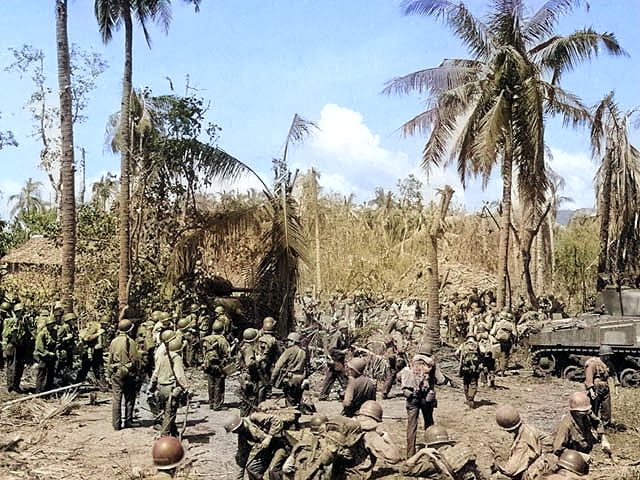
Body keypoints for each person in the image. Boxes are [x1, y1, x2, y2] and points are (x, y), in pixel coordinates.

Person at [492, 404, 554, 480]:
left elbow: (510, 470)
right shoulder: (527, 427)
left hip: (538, 470)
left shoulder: (523, 442)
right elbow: (549, 440)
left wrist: (498, 462)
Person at [403, 424, 482, 479]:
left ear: (429, 445)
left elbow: (405, 470)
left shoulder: (434, 463)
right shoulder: (463, 453)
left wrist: (421, 452)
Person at [224, 411, 287, 480]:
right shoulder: (243, 435)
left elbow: (276, 420)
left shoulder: (254, 418)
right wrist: (239, 478)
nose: (235, 433)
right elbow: (242, 457)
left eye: (235, 430)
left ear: (240, 425)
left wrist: (269, 437)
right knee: (252, 468)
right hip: (268, 449)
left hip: (282, 445)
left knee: (273, 470)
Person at [149, 336, 190, 437]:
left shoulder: (163, 356)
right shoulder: (176, 358)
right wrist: (187, 387)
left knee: (167, 412)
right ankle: (165, 437)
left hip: (161, 388)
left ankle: (174, 433)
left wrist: (152, 387)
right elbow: (180, 375)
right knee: (170, 414)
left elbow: (155, 373)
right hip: (171, 389)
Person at [400, 353, 438, 457]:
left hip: (412, 398)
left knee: (411, 426)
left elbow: (399, 376)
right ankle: (432, 447)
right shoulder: (431, 364)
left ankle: (410, 454)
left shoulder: (413, 363)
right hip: (426, 398)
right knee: (429, 422)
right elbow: (440, 380)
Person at [107, 318, 141, 431]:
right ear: (129, 330)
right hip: (128, 372)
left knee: (116, 399)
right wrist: (137, 373)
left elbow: (110, 359)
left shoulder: (114, 341)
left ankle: (116, 425)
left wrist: (109, 373)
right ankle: (128, 421)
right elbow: (135, 359)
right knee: (129, 398)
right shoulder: (130, 342)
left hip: (116, 372)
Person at [354, 400, 402, 472]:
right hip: (352, 474)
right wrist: (388, 439)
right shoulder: (371, 435)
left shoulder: (349, 424)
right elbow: (394, 458)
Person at [553, 391, 602, 457]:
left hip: (585, 451)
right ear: (574, 411)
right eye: (582, 412)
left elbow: (598, 422)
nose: (585, 413)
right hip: (570, 458)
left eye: (586, 411)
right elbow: (557, 449)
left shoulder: (586, 413)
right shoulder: (566, 425)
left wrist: (603, 438)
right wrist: (580, 455)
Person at [271, 332, 309, 407]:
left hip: (290, 378)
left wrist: (272, 378)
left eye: (289, 340)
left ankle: (292, 414)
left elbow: (278, 365)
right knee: (297, 398)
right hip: (301, 378)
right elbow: (307, 366)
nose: (287, 342)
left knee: (289, 399)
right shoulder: (304, 352)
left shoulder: (288, 351)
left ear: (293, 341)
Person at [2, 302, 32, 393]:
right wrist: (12, 330)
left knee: (19, 367)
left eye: (22, 311)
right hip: (12, 346)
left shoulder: (24, 322)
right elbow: (5, 334)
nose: (21, 313)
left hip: (21, 347)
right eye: (19, 311)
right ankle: (10, 387)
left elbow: (27, 333)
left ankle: (16, 386)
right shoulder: (9, 321)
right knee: (12, 367)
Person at [201, 319, 231, 410]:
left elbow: (204, 353)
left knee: (211, 384)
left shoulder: (207, 339)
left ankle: (211, 403)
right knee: (219, 385)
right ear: (223, 329)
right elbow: (228, 354)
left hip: (208, 365)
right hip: (219, 365)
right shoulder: (223, 340)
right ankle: (217, 405)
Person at [319, 321, 349, 401]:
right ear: (342, 328)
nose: (347, 330)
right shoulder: (337, 336)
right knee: (343, 378)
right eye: (345, 328)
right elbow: (331, 349)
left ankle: (323, 395)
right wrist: (342, 352)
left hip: (338, 360)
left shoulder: (342, 336)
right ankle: (347, 394)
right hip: (335, 360)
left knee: (331, 378)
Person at [584, 345, 613, 427]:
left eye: (609, 355)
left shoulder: (609, 364)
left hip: (605, 388)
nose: (608, 357)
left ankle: (606, 425)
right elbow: (589, 378)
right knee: (594, 408)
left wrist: (615, 387)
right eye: (606, 355)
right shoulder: (593, 364)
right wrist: (591, 391)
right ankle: (593, 425)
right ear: (602, 355)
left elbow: (613, 374)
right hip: (595, 388)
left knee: (606, 408)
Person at [457, 333, 483, 408]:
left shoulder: (463, 345)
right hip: (475, 368)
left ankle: (467, 397)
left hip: (465, 368)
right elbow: (483, 352)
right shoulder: (477, 345)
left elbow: (456, 353)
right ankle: (471, 398)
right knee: (473, 383)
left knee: (466, 382)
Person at [34, 315, 58, 393]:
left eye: (53, 324)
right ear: (47, 324)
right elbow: (39, 347)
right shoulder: (42, 333)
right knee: (41, 374)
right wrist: (47, 353)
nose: (52, 325)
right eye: (51, 324)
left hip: (52, 356)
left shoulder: (54, 332)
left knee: (50, 374)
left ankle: (48, 391)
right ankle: (39, 391)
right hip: (43, 356)